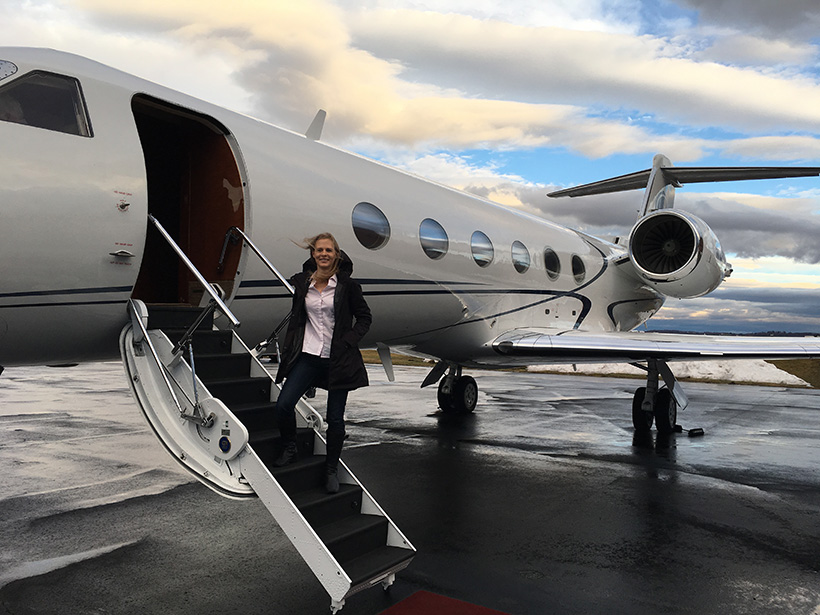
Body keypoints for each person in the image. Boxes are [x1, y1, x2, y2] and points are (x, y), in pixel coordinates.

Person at [273, 232, 372, 494]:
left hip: (338, 359)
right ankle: (290, 447)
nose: (324, 254)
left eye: (329, 250)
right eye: (319, 250)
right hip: (308, 356)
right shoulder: (302, 284)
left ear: (336, 254)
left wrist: (348, 341)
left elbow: (364, 318)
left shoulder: (348, 286)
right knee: (284, 404)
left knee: (335, 419)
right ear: (313, 254)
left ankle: (331, 469)